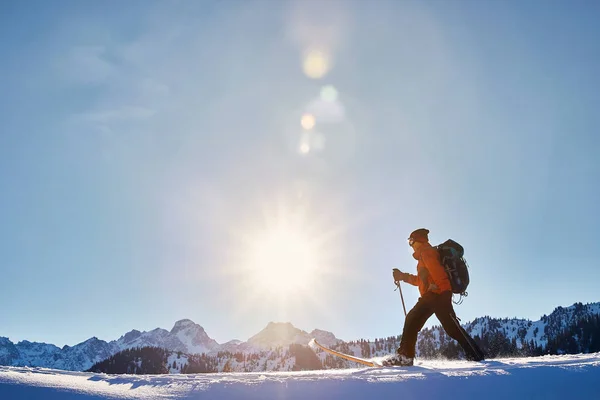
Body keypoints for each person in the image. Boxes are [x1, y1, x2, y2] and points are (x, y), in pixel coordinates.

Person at [386, 228, 485, 366]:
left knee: (414, 320)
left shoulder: (427, 253)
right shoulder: (423, 256)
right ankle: (476, 355)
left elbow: (440, 275)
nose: (410, 244)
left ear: (418, 240)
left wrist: (445, 294)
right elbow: (421, 281)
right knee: (449, 327)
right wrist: (403, 276)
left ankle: (405, 357)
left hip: (437, 295)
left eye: (411, 241)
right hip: (434, 296)